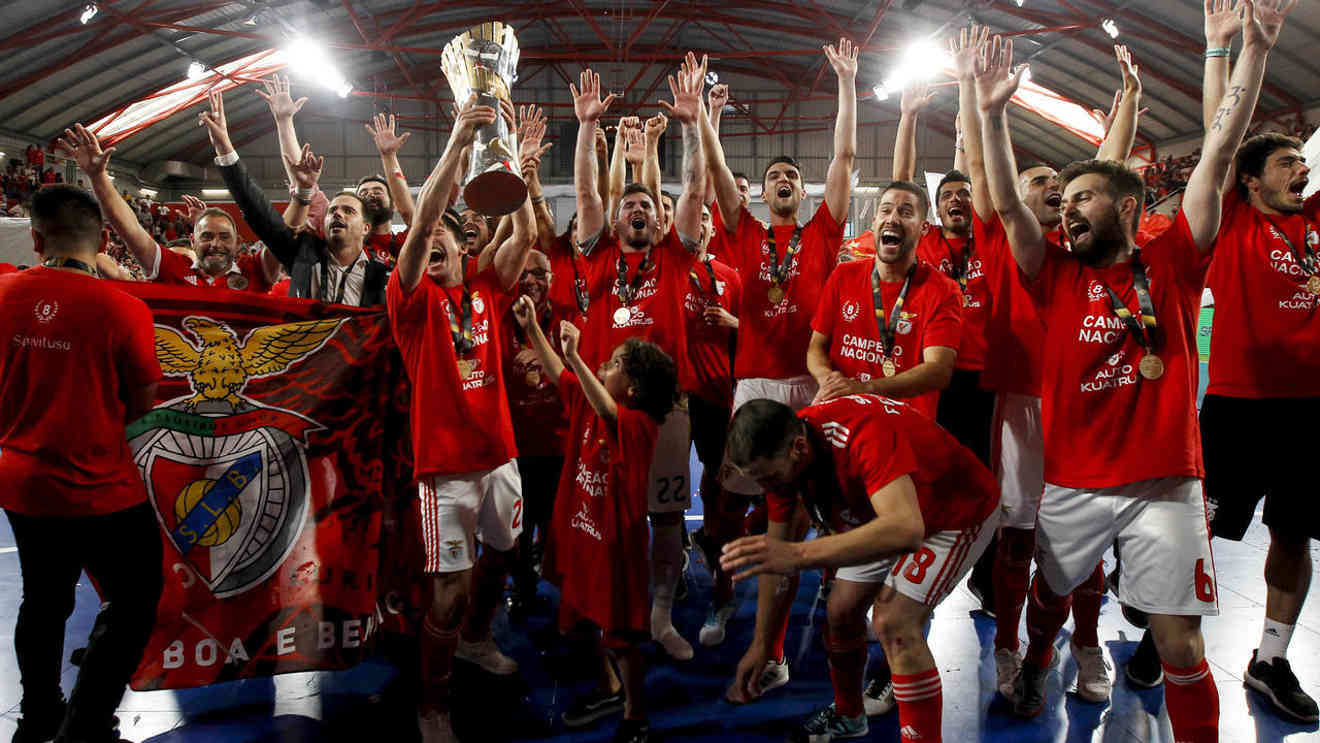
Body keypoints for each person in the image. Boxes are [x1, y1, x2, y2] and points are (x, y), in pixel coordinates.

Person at [975, 0, 1288, 734]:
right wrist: (990, 116)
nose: (1068, 212)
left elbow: (1217, 150)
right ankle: (1045, 651)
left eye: (1083, 199)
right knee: (1051, 596)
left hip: (1166, 483)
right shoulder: (1052, 273)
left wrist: (1248, 49)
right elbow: (1012, 213)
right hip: (1073, 479)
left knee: (1182, 645)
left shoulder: (1175, 259)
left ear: (1126, 203)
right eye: (1066, 201)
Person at [951, 28, 1144, 702]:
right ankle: (1007, 645)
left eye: (1064, 187)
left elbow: (1108, 175)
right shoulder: (1001, 235)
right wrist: (980, 102)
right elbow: (989, 179)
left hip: (1088, 403)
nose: (1056, 190)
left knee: (1086, 545)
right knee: (1018, 539)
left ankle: (1087, 644)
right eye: (1044, 182)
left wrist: (1126, 110)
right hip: (1026, 407)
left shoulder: (1078, 256)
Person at [701, 38, 857, 695]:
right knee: (729, 505)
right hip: (754, 383)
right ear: (762, 194)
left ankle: (797, 620)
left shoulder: (824, 230)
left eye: (793, 176)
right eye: (774, 179)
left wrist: (847, 84)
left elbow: (845, 156)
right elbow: (715, 178)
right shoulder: (745, 233)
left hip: (811, 384)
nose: (784, 182)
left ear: (804, 189)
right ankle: (721, 595)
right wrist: (706, 121)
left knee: (808, 509)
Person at [720, 395, 999, 742]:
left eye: (770, 480)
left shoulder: (862, 434)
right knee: (841, 611)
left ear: (799, 447)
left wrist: (801, 554)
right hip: (878, 508)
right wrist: (763, 646)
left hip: (952, 512)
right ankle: (849, 715)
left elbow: (906, 529)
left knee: (895, 622)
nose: (767, 490)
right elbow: (776, 562)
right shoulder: (779, 459)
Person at [387, 93, 536, 743]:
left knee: (500, 560)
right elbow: (418, 230)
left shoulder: (485, 287)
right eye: (433, 245)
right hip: (444, 467)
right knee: (446, 590)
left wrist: (518, 171)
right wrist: (456, 137)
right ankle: (433, 701)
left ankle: (477, 640)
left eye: (450, 243)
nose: (439, 251)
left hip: (500, 456)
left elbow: (525, 234)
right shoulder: (411, 302)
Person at [0, 184, 163, 743]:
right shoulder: (126, 308)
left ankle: (40, 711)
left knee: (42, 600)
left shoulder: (3, 294)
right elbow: (142, 406)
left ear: (38, 238)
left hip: (23, 484)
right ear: (105, 241)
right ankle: (88, 722)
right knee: (136, 598)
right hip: (101, 486)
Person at [1194, 0, 1316, 720]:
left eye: (1303, 161)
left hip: (1310, 409)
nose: (1300, 170)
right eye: (1285, 163)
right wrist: (1244, 49)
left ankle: (1269, 658)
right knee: (1200, 529)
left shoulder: (1316, 217)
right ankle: (1168, 630)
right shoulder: (1234, 220)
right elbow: (1219, 134)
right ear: (1250, 182)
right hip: (1238, 405)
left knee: (1295, 534)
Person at [568, 54, 708, 661]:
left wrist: (692, 122)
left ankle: (658, 615)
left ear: (662, 217)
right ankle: (601, 609)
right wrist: (584, 126)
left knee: (668, 514)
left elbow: (697, 186)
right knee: (606, 512)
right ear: (614, 217)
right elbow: (583, 190)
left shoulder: (675, 257)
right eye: (630, 206)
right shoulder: (598, 256)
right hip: (604, 409)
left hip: (666, 408)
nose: (639, 210)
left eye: (648, 206)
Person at [200, 90, 390, 306]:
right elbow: (258, 212)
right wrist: (225, 149)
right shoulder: (302, 255)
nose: (337, 212)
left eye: (349, 210)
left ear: (366, 227)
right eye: (332, 210)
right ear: (322, 223)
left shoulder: (384, 273)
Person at [807, 180, 963, 420]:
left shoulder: (944, 290)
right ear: (874, 223)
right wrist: (828, 379)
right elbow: (816, 346)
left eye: (905, 212)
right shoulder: (843, 275)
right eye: (886, 210)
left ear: (923, 228)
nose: (892, 218)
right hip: (844, 414)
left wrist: (865, 389)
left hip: (904, 424)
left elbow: (938, 370)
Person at [57, 124, 272, 293]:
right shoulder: (172, 268)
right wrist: (98, 177)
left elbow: (283, 232)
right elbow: (129, 229)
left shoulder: (255, 272)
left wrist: (302, 192)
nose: (216, 244)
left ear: (239, 243)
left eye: (224, 237)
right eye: (206, 236)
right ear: (192, 241)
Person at [682, 202, 744, 646]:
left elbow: (752, 333)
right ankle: (666, 585)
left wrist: (732, 321)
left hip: (716, 395)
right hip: (670, 398)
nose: (701, 225)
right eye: (694, 218)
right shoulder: (663, 269)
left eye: (707, 218)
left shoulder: (731, 274)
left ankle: (724, 590)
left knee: (720, 487)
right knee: (659, 501)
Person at [501, 249, 569, 620]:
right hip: (514, 446)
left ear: (552, 279)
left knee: (557, 527)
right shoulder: (496, 320)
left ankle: (567, 596)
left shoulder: (567, 321)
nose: (530, 280)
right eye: (523, 273)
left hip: (559, 443)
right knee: (519, 530)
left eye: (539, 272)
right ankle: (522, 589)